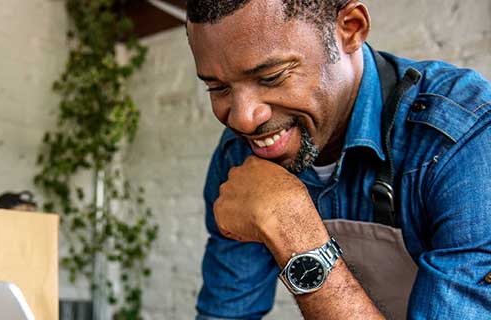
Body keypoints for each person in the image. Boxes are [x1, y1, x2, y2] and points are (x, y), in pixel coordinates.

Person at [186, 0, 491, 319]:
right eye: (218, 88)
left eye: (272, 76)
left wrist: (295, 232)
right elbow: (227, 312)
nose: (244, 120)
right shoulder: (239, 157)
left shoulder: (464, 139)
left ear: (351, 28)